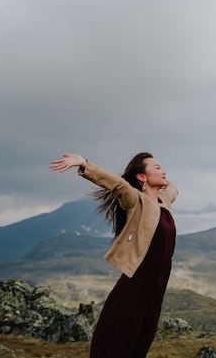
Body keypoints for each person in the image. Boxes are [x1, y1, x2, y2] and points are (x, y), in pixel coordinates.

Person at [50, 151, 177, 358]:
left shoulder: (165, 201)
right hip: (138, 281)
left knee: (142, 338)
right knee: (121, 337)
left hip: (157, 286)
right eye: (157, 167)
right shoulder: (136, 201)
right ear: (141, 177)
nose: (163, 170)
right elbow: (117, 184)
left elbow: (173, 189)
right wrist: (84, 164)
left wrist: (162, 179)